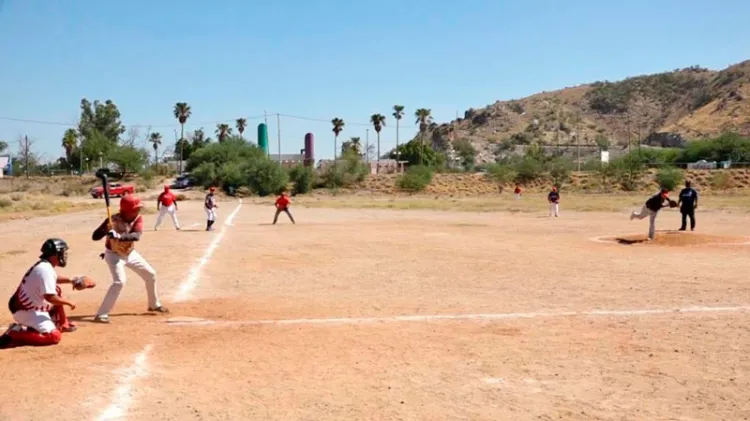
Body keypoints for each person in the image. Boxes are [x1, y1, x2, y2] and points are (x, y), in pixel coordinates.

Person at [92, 194, 168, 324]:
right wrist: (106, 229)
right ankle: (101, 314)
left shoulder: (138, 218)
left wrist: (119, 236)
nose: (138, 210)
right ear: (127, 210)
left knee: (150, 274)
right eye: (135, 208)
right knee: (119, 282)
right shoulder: (112, 219)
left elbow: (136, 236)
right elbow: (95, 236)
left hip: (130, 253)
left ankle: (153, 304)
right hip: (113, 255)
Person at [1, 239, 87, 348]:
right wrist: (69, 302)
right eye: (62, 252)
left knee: (57, 290)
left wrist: (71, 280)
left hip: (31, 306)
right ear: (55, 254)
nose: (64, 255)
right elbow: (50, 298)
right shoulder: (44, 269)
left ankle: (62, 324)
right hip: (26, 310)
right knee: (54, 337)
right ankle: (16, 333)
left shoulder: (45, 266)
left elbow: (53, 278)